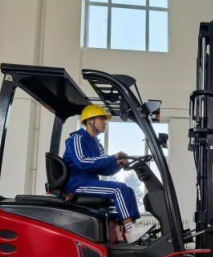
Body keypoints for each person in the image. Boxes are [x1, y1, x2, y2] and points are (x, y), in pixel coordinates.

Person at [63, 104, 151, 243]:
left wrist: (118, 164)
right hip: (77, 184)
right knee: (118, 189)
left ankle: (130, 230)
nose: (105, 122)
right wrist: (113, 157)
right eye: (101, 119)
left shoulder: (97, 145)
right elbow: (82, 162)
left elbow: (104, 168)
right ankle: (130, 230)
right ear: (90, 120)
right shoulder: (77, 139)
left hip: (90, 182)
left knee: (128, 190)